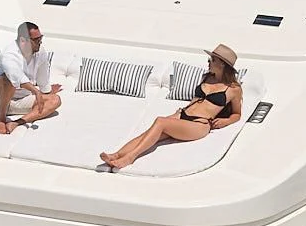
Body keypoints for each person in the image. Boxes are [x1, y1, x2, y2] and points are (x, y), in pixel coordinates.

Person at [100, 44, 242, 171]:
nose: (208, 61)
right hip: (182, 115)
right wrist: (183, 111)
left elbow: (237, 114)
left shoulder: (234, 89)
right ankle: (116, 155)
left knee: (160, 122)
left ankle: (130, 157)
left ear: (223, 64)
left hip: (200, 124)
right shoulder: (207, 78)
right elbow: (198, 100)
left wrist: (225, 121)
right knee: (150, 133)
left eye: (212, 60)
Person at [0, 21, 62, 134]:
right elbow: (14, 75)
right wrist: (36, 92)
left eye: (41, 38)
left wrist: (46, 92)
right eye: (36, 40)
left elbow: (42, 78)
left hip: (19, 100)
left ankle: (16, 123)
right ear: (23, 40)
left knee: (55, 100)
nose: (40, 42)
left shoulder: (40, 51)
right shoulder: (10, 53)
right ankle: (1, 118)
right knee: (7, 79)